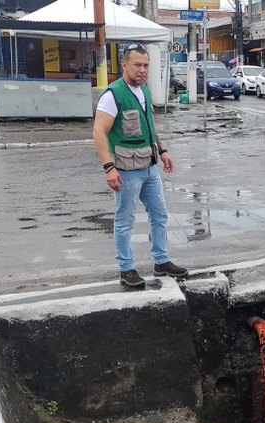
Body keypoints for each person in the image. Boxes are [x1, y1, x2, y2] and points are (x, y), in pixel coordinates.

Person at [92, 43, 188, 288]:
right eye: (137, 65)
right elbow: (99, 132)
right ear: (124, 64)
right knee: (125, 220)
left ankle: (161, 261)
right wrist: (108, 167)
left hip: (149, 166)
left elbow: (149, 125)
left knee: (159, 214)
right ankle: (126, 268)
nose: (142, 70)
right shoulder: (113, 95)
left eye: (146, 65)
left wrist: (163, 149)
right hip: (125, 169)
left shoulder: (144, 90)